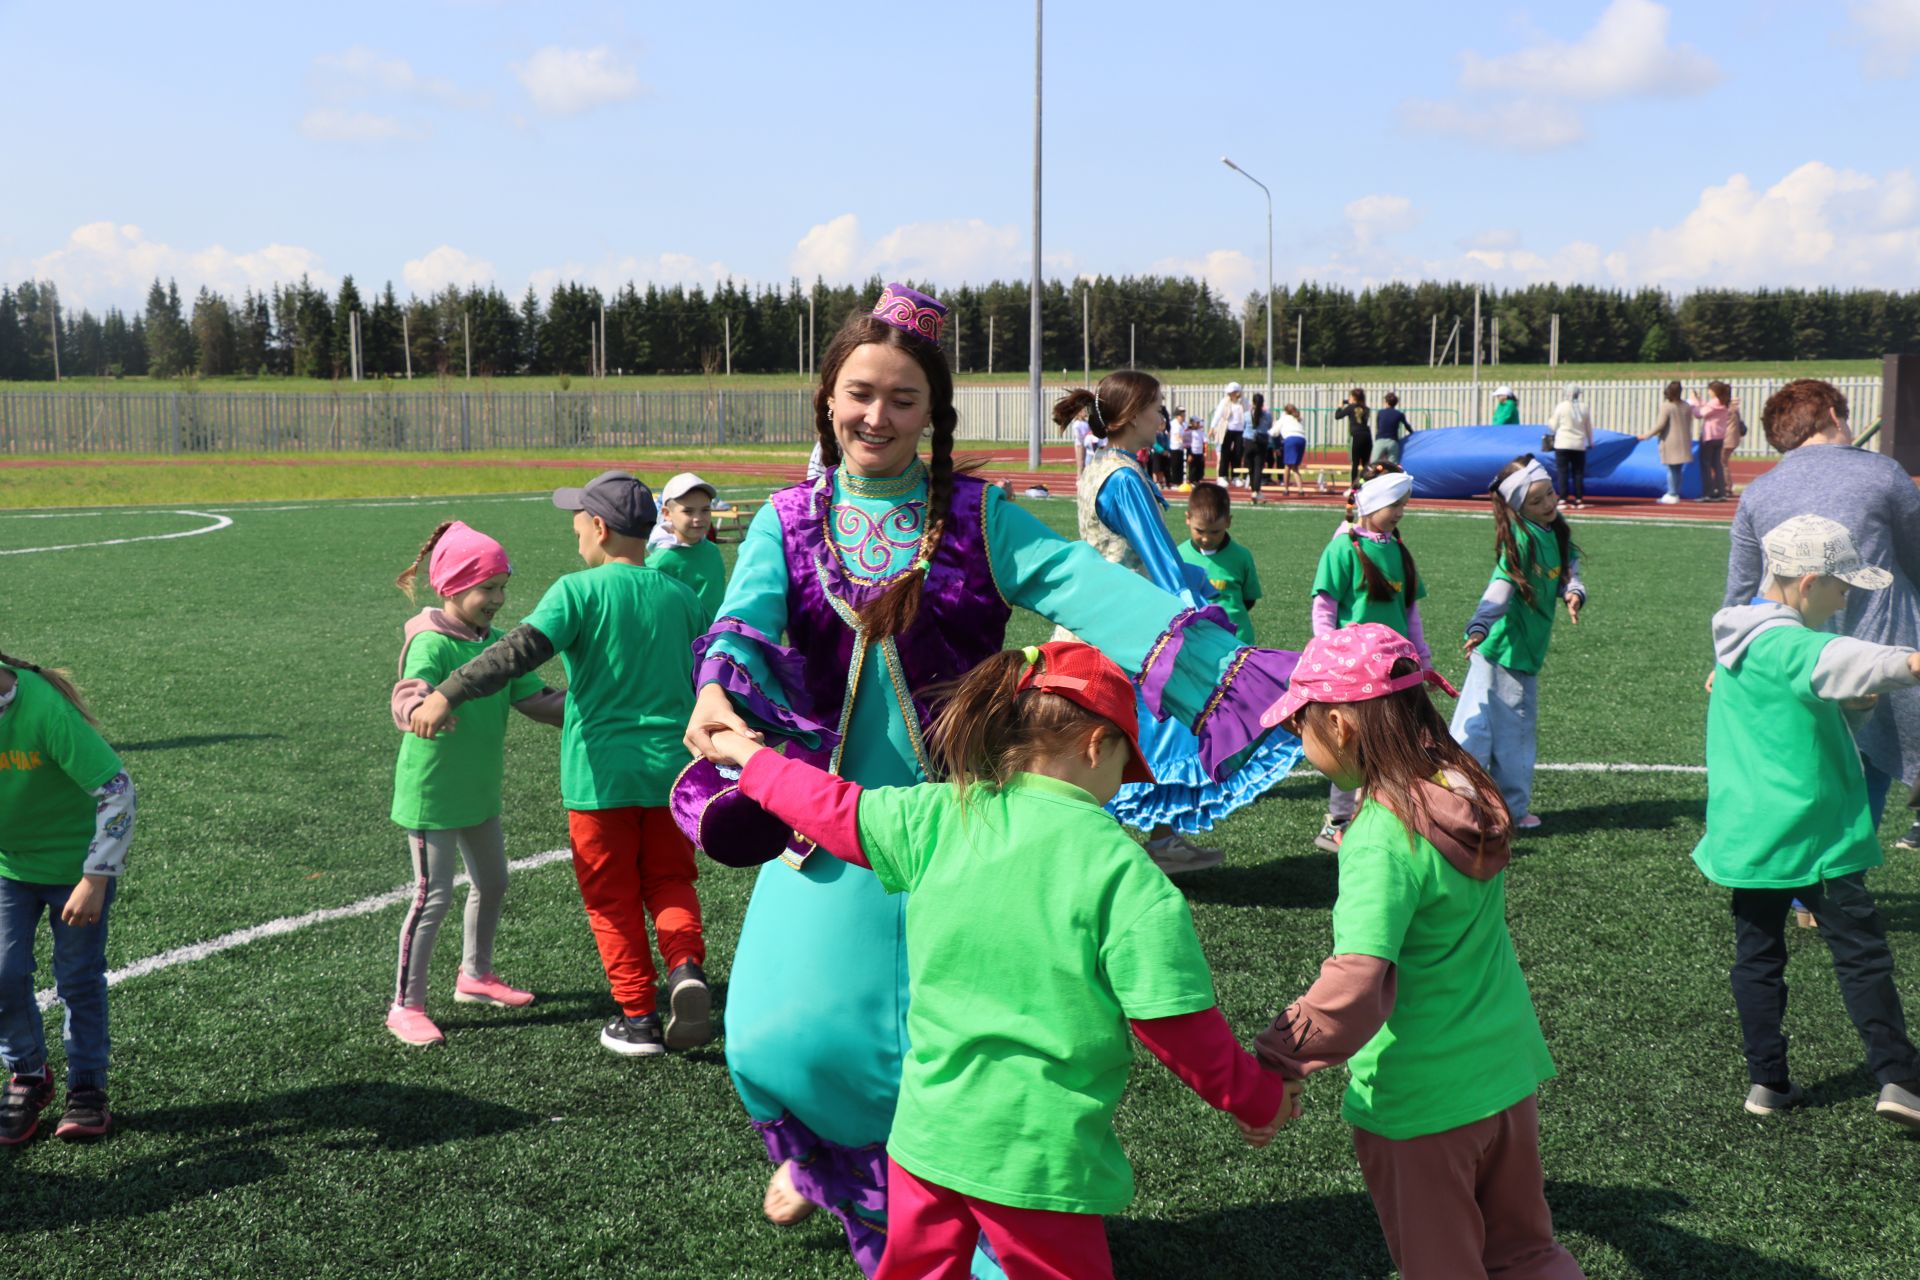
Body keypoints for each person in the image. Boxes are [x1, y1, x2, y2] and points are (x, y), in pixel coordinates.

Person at [676, 284, 1302, 1275]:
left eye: (903, 398)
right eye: (859, 393)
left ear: (935, 414)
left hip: (962, 820)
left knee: (963, 1030)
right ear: (826, 400)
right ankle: (837, 1159)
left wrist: (1210, 670)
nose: (876, 415)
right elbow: (742, 621)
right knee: (775, 1036)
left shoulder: (975, 516)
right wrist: (718, 691)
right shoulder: (787, 520)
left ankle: (957, 1206)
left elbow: (1078, 584)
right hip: (836, 818)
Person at [703, 643, 1299, 1280]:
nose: (1121, 785)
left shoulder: (941, 815)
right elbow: (1181, 1032)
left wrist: (750, 758)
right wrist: (1259, 1100)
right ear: (1098, 746)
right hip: (1035, 1157)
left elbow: (833, 808)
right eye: (1127, 765)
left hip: (925, 1138)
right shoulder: (1126, 875)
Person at [1255, 623, 1583, 1280]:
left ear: (1342, 726)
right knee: (1526, 1253)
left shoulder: (1381, 833)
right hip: (1504, 1077)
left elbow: (1358, 980)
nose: (1301, 744)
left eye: (1301, 730)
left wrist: (1277, 1058)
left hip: (1422, 1101)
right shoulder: (1462, 787)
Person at [409, 472, 712, 1059]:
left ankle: (639, 1018)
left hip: (599, 779)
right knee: (671, 881)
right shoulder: (682, 598)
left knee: (611, 897)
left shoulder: (578, 591)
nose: (575, 536)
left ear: (598, 528)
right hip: (673, 775)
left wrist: (448, 691)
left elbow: (515, 651)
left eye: (577, 524)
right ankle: (685, 967)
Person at [1696, 515, 1920, 1129]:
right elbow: (1873, 661)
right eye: (1844, 587)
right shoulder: (1800, 645)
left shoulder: (1736, 637)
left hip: (1749, 831)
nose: (1849, 598)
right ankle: (1900, 1079)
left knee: (1758, 955)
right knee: (1861, 954)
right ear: (1809, 582)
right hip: (1816, 833)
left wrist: (1848, 712)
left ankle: (1767, 1082)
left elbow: (1794, 710)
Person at [1053, 371, 1303, 875]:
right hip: (1124, 632)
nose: (1162, 416)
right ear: (1128, 417)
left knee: (1155, 732)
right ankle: (1085, 851)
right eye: (1155, 407)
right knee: (1157, 727)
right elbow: (1158, 559)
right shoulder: (1121, 477)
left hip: (1112, 622)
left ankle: (1158, 839)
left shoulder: (1111, 465)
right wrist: (1192, 608)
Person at [385, 522, 565, 1047]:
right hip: (433, 792)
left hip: (480, 790)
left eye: (503, 586)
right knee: (431, 897)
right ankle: (405, 1006)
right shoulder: (431, 642)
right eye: (488, 587)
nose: (498, 599)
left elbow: (534, 698)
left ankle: (475, 977)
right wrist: (419, 709)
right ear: (451, 587)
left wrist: (591, 708)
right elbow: (408, 691)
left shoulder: (495, 645)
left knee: (493, 883)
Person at [1725, 379, 1920, 850]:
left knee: (1806, 762)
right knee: (1866, 762)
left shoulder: (1758, 492)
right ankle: (1838, 882)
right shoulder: (1884, 475)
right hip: (1878, 642)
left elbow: (1741, 588)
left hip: (1792, 653)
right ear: (1834, 415)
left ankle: (1803, 891)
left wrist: (1725, 658)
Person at [0, 653, 135, 1144]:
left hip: (75, 870)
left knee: (77, 979)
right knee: (2, 973)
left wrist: (95, 877)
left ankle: (88, 1088)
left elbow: (117, 789)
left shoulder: (45, 710)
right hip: (8, 867)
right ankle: (28, 1076)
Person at [1451, 457, 1587, 830]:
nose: (1549, 504)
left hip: (1515, 652)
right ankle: (1506, 809)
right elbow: (1501, 588)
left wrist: (1573, 591)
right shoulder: (1523, 539)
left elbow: (1569, 569)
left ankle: (1457, 801)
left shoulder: (1553, 532)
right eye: (1537, 501)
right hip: (1503, 652)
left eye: (1551, 494)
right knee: (1507, 734)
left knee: (1477, 730)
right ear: (1518, 509)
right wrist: (1480, 625)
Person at [1310, 469, 1430, 852]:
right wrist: (1327, 651)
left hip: (1393, 669)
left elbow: (1409, 610)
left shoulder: (1399, 550)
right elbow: (1324, 607)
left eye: (1403, 505)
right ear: (1372, 505)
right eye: (1394, 505)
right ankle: (1338, 821)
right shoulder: (1342, 549)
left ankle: (1376, 817)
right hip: (1353, 670)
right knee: (1352, 746)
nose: (1400, 512)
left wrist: (1420, 653)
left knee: (1391, 742)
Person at [1178, 482, 1262, 644]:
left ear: (1228, 522)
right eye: (1200, 531)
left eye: (1215, 531)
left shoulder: (1241, 556)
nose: (1206, 538)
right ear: (1188, 518)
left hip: (1236, 641)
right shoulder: (1179, 556)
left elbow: (1249, 599)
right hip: (1193, 641)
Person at [646, 472, 727, 626]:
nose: (698, 518)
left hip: (714, 638)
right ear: (666, 514)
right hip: (680, 643)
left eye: (705, 510)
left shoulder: (712, 551)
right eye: (688, 511)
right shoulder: (660, 561)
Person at [1642, 379, 1695, 505]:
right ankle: (1675, 491)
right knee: (1678, 468)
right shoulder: (1686, 406)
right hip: (1684, 439)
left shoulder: (1666, 406)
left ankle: (1672, 493)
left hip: (1670, 440)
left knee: (1671, 468)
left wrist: (1647, 435)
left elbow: (1660, 425)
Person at [1689, 381, 1738, 502]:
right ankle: (1721, 491)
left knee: (1705, 465)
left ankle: (1707, 493)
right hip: (1719, 437)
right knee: (1717, 465)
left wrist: (1693, 403)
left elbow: (1699, 414)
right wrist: (1700, 401)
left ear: (1715, 391)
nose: (1708, 392)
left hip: (1709, 437)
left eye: (1710, 390)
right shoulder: (1724, 402)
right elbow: (1707, 408)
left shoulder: (1714, 403)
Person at [1547, 386, 1593, 509]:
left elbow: (1553, 425)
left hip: (1562, 443)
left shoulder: (1561, 406)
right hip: (1579, 444)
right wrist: (1590, 442)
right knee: (1578, 472)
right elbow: (1588, 427)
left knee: (1563, 471)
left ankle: (1563, 498)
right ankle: (1579, 498)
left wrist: (1550, 420)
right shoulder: (1584, 407)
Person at [1211, 382, 1247, 486]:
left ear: (1237, 392)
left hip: (1240, 431)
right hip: (1227, 430)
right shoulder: (1225, 402)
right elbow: (1218, 414)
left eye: (1232, 392)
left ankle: (1235, 476)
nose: (1230, 394)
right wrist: (1212, 427)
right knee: (1225, 452)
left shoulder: (1243, 402)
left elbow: (1249, 414)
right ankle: (1222, 476)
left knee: (1238, 453)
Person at [1335, 389, 1372, 489]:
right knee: (1365, 464)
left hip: (1357, 435)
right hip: (1367, 436)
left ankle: (1353, 487)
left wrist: (1340, 406)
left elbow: (1337, 416)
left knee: (1355, 463)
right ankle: (1366, 485)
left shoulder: (1350, 407)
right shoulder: (1366, 408)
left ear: (1354, 398)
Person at [1245, 391, 1274, 501]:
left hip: (1248, 441)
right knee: (1258, 468)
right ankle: (1256, 491)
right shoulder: (1267, 415)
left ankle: (1253, 490)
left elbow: (1243, 426)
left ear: (1252, 402)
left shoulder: (1247, 415)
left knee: (1251, 468)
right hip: (1261, 442)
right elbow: (1269, 426)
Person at [1277, 402, 1308, 496]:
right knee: (1295, 467)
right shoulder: (1297, 418)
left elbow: (1275, 431)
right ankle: (1300, 489)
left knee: (1287, 466)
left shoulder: (1284, 418)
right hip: (1301, 440)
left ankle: (1286, 489)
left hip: (1291, 439)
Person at [1372, 392, 1410, 466]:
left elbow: (1378, 426)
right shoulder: (1399, 414)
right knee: (1393, 465)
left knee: (1374, 463)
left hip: (1380, 440)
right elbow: (1407, 426)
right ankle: (1392, 476)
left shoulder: (1381, 412)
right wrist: (1412, 433)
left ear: (1386, 402)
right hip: (1393, 441)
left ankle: (1371, 476)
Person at [1182, 408, 1208, 486]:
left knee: (1199, 467)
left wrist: (1204, 452)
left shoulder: (1201, 432)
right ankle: (1192, 481)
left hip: (1199, 452)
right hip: (1192, 452)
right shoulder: (1188, 431)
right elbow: (1187, 443)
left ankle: (1197, 480)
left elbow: (1205, 442)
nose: (1198, 424)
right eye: (1196, 422)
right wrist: (1189, 453)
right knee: (1192, 468)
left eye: (1198, 422)